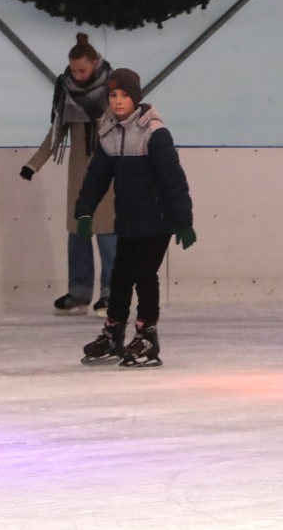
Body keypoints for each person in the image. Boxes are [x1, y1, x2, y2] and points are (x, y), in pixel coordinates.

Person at [75, 68, 196, 368]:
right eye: (113, 95)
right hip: (128, 220)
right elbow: (96, 178)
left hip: (158, 220)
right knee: (120, 277)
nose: (117, 101)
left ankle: (147, 337)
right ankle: (114, 333)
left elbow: (173, 179)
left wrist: (184, 220)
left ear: (136, 98)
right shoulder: (109, 134)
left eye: (124, 95)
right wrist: (84, 211)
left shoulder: (154, 133)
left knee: (144, 274)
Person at [20, 33, 117, 317]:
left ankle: (112, 293)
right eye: (73, 70)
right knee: (78, 233)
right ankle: (79, 293)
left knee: (108, 234)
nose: (77, 75)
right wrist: (34, 164)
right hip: (79, 174)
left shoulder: (115, 90)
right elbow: (56, 132)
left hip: (108, 173)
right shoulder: (66, 90)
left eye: (82, 70)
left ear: (96, 63)